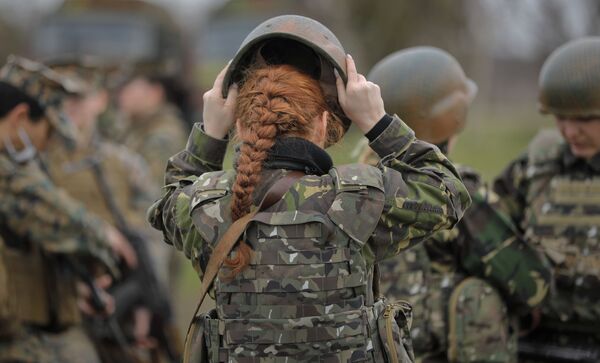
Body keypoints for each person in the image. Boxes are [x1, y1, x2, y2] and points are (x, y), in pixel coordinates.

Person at [148, 15, 470, 362]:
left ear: (239, 126)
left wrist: (209, 136)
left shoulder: (205, 204)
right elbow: (448, 191)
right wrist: (378, 123)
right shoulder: (361, 198)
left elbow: (168, 204)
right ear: (322, 124)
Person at [362, 47, 551, 363]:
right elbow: (531, 286)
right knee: (479, 295)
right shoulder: (456, 192)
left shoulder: (357, 185)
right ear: (454, 117)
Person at [43, 57, 180, 362]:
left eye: (78, 97)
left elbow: (153, 237)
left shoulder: (123, 164)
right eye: (60, 98)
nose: (69, 106)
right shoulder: (32, 166)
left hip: (122, 309)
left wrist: (147, 301)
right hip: (52, 311)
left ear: (100, 101)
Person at [0, 56, 136, 363]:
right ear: (21, 118)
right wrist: (106, 237)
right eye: (47, 132)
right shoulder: (9, 175)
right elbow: (47, 208)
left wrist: (72, 290)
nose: (46, 146)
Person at [494, 37, 600, 361]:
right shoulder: (535, 165)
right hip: (536, 340)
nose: (569, 132)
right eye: (559, 118)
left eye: (583, 120)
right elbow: (489, 236)